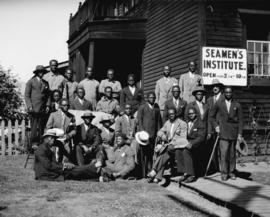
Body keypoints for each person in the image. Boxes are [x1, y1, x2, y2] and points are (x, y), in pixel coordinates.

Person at [34, 129, 105, 181]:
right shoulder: (41, 150)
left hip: (52, 172)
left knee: (74, 172)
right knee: (74, 170)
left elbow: (53, 163)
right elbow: (48, 165)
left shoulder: (47, 148)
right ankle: (95, 168)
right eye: (52, 138)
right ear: (46, 139)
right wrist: (63, 166)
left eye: (54, 138)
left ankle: (98, 177)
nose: (54, 140)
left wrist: (64, 164)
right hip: (46, 175)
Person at [210, 86, 243, 181]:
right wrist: (216, 126)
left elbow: (241, 120)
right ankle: (224, 173)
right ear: (224, 93)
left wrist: (240, 134)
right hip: (223, 132)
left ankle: (231, 172)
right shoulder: (219, 103)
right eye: (226, 92)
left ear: (232, 93)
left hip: (233, 132)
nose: (228, 94)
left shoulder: (237, 105)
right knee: (224, 154)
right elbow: (211, 117)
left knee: (232, 154)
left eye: (230, 92)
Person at [147, 108, 188, 183]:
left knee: (164, 150)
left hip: (178, 146)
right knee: (165, 152)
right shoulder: (167, 123)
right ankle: (157, 176)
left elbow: (183, 139)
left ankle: (154, 170)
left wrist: (171, 143)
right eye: (169, 114)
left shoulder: (182, 123)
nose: (171, 116)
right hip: (169, 147)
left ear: (176, 114)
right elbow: (159, 132)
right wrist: (162, 136)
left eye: (172, 114)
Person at [137, 92, 162, 177]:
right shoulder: (142, 108)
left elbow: (159, 123)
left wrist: (159, 134)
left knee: (151, 155)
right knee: (143, 155)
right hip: (144, 136)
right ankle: (143, 174)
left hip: (153, 136)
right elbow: (139, 121)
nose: (152, 99)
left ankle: (150, 171)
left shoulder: (156, 109)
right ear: (147, 98)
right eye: (150, 97)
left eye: (154, 98)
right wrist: (142, 133)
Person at [178, 107, 206, 183]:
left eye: (192, 113)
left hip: (198, 145)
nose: (191, 115)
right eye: (189, 114)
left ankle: (191, 175)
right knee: (178, 150)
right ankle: (185, 172)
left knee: (185, 151)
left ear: (196, 114)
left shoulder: (200, 123)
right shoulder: (187, 123)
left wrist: (192, 143)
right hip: (188, 142)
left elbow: (201, 137)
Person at [25, 65, 50, 147]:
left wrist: (48, 105)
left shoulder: (46, 83)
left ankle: (41, 143)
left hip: (42, 109)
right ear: (36, 73)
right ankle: (33, 144)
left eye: (42, 72)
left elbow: (48, 96)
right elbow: (27, 95)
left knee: (41, 127)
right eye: (39, 72)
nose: (41, 73)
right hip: (34, 109)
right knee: (34, 127)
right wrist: (29, 106)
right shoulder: (31, 81)